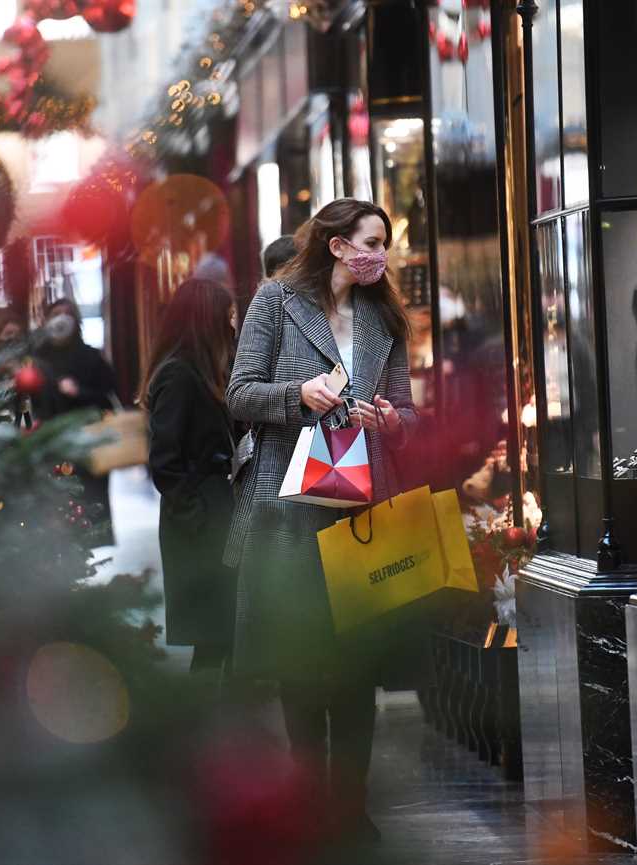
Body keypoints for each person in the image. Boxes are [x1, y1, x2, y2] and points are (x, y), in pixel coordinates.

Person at [224, 198, 418, 842]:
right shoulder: (276, 301)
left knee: (357, 669)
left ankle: (350, 809)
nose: (379, 255)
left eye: (384, 244)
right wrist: (297, 395)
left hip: (363, 505)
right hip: (289, 509)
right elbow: (240, 392)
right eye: (370, 242)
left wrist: (389, 421)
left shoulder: (384, 316)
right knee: (302, 665)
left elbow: (408, 415)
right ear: (336, 246)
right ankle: (308, 807)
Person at [141, 279, 239, 674]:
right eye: (227, 316)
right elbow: (165, 461)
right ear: (207, 320)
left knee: (220, 631)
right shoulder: (180, 375)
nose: (233, 325)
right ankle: (209, 726)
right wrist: (196, 515)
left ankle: (217, 721)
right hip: (201, 519)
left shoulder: (202, 369)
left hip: (214, 509)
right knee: (214, 634)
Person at [33, 297, 118, 541]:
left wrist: (79, 392)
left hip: (87, 440)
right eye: (55, 313)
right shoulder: (36, 358)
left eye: (67, 313)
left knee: (92, 494)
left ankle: (96, 537)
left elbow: (108, 394)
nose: (61, 319)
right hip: (49, 439)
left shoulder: (91, 357)